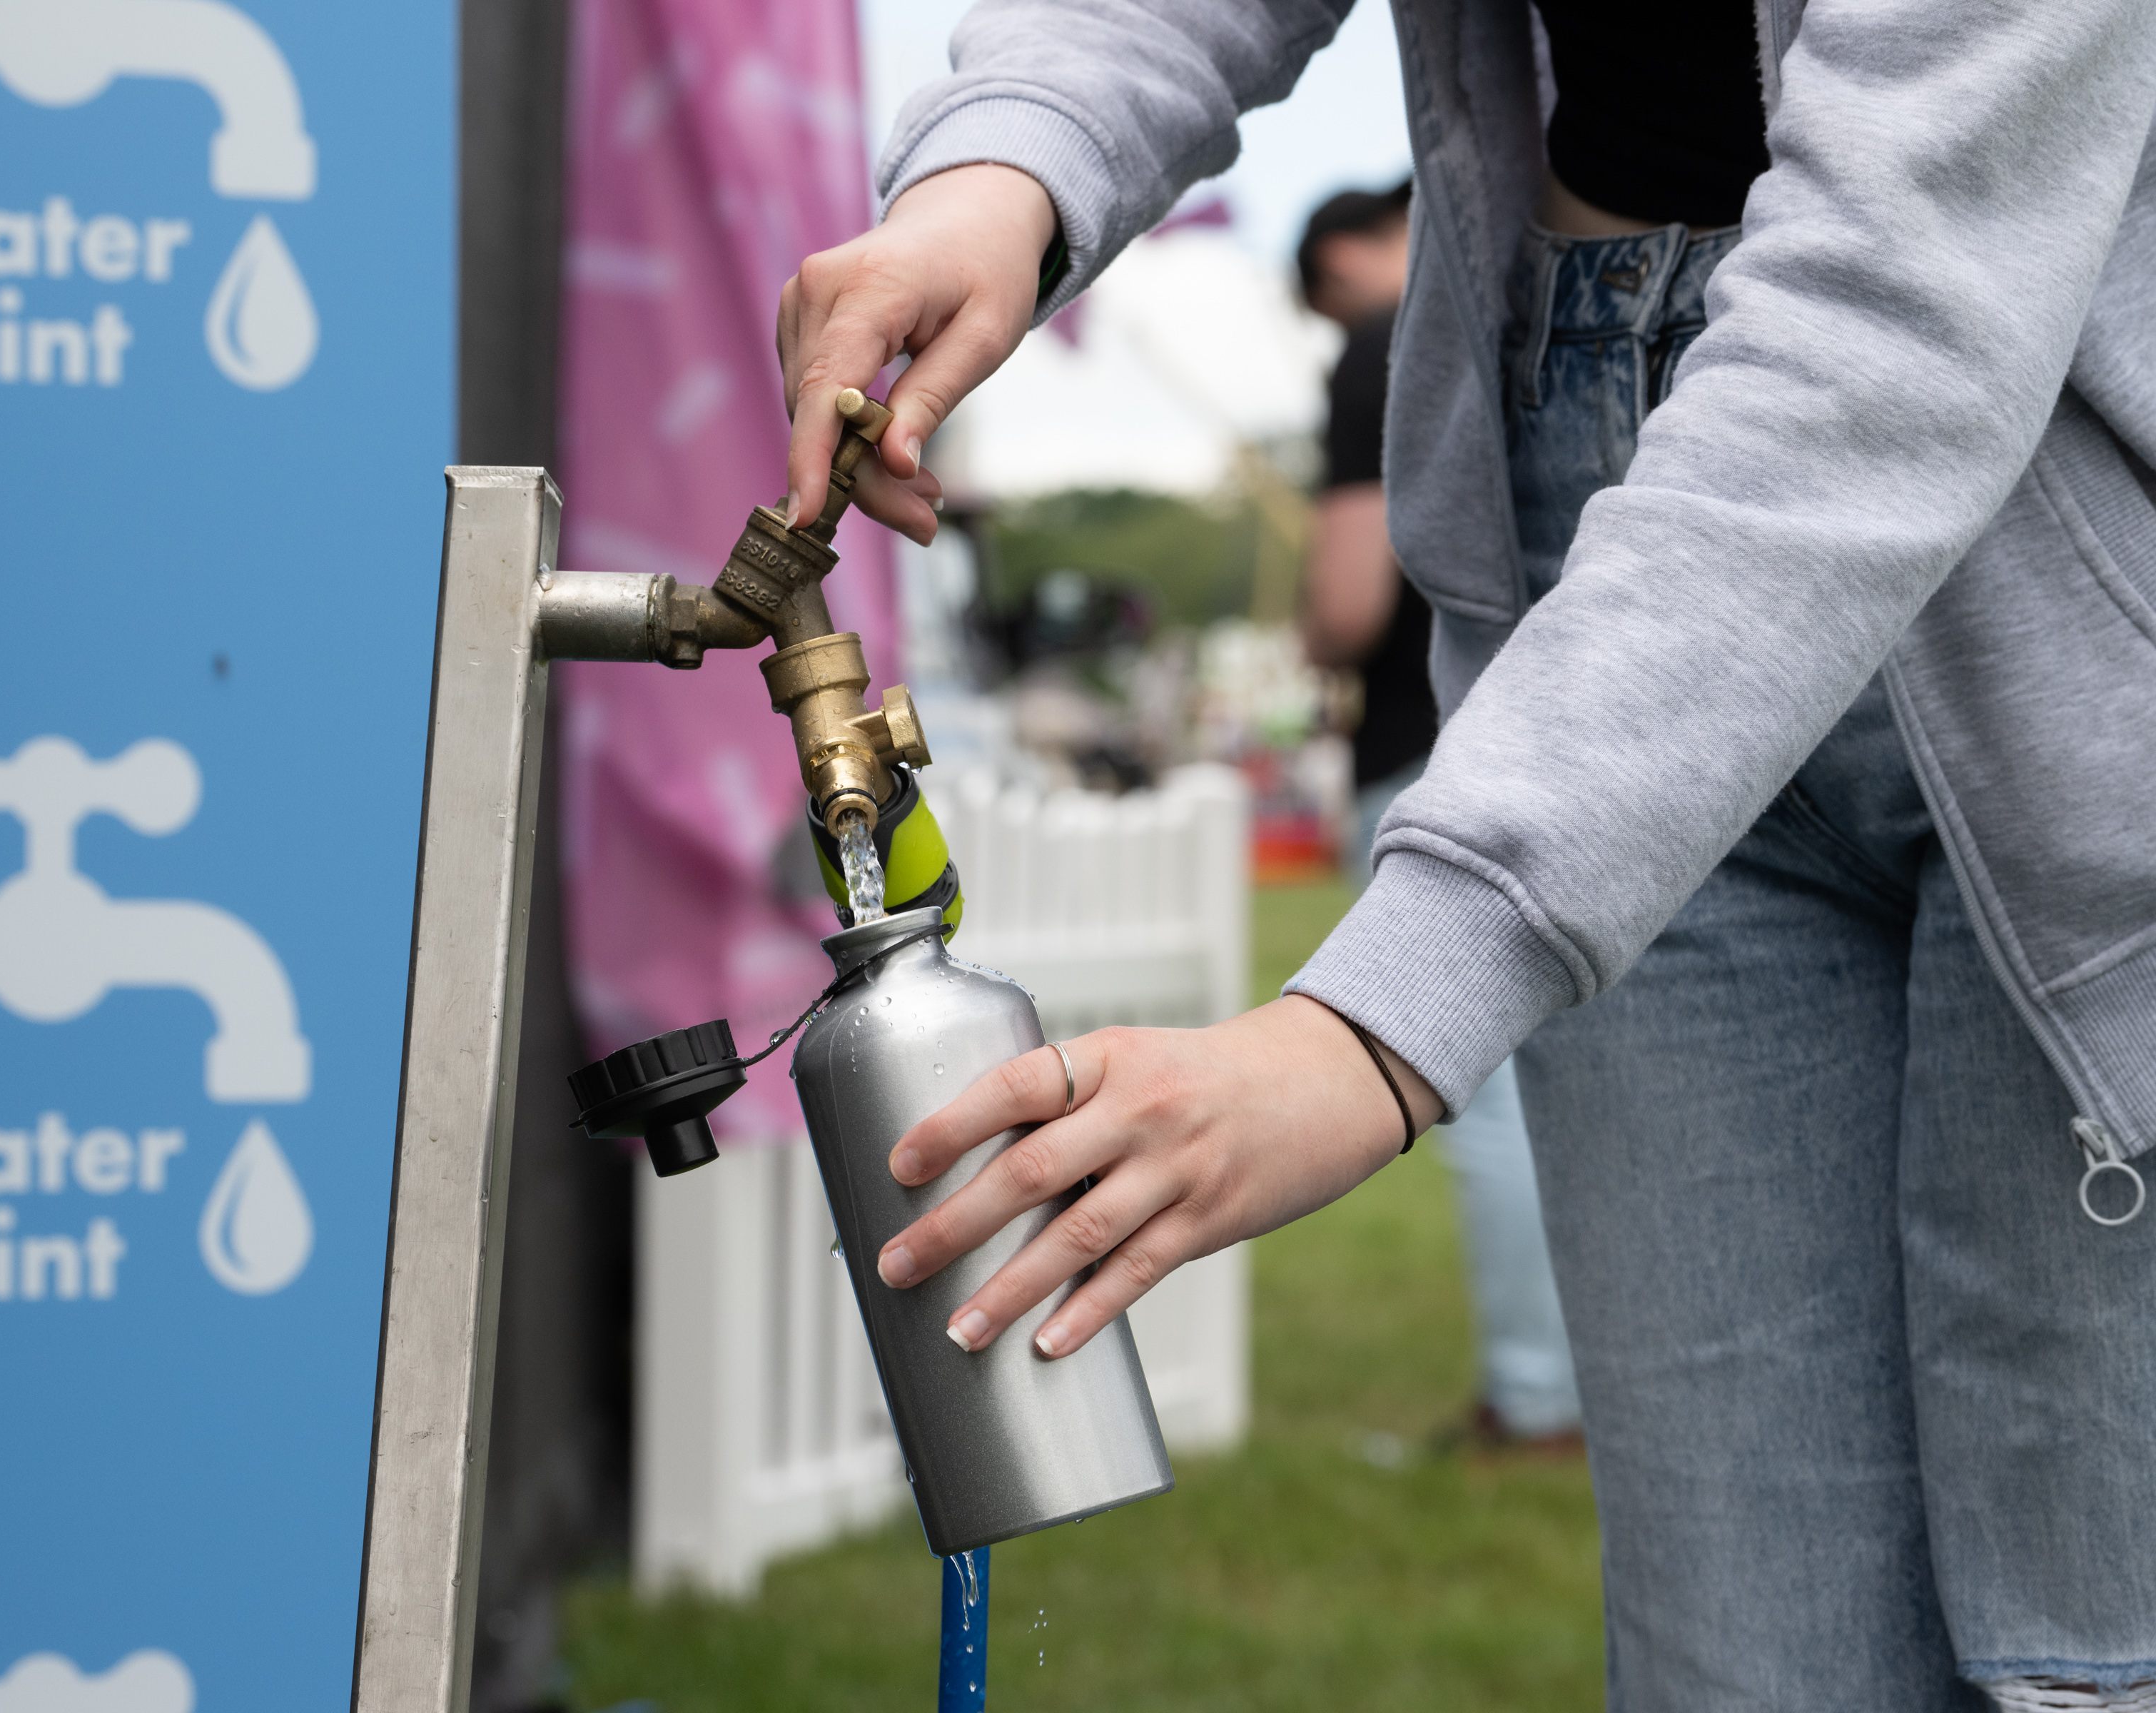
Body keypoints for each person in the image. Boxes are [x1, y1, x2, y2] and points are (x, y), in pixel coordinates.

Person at [772, 2, 2156, 1704]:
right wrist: (1000, 166)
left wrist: (1378, 1023)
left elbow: (1900, 301)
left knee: (2089, 1654)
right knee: (1748, 1668)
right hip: (1576, 510)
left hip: (2073, 614)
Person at [1300, 180, 1580, 1450]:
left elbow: (1348, 602)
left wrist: (1308, 628)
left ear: (1348, 251)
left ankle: (1537, 1398)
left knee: (1483, 1094)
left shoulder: (1377, 337)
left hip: (1434, 748)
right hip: (1583, 735)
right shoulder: (1535, 312)